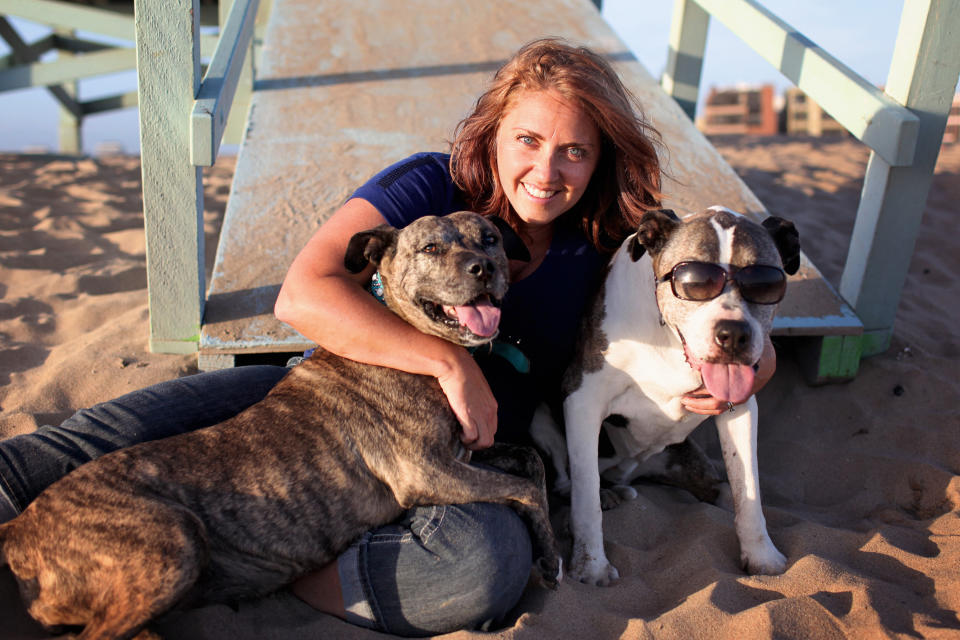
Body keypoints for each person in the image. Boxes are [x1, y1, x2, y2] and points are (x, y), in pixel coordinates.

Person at [0, 38, 775, 635]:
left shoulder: (611, 236)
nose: (548, 169)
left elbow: (713, 287)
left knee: (482, 569)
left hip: (456, 451)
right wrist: (450, 364)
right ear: (495, 134)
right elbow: (305, 291)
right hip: (336, 396)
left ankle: (287, 560)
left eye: (575, 149)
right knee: (143, 427)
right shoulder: (430, 186)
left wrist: (753, 363)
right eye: (529, 141)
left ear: (601, 154)